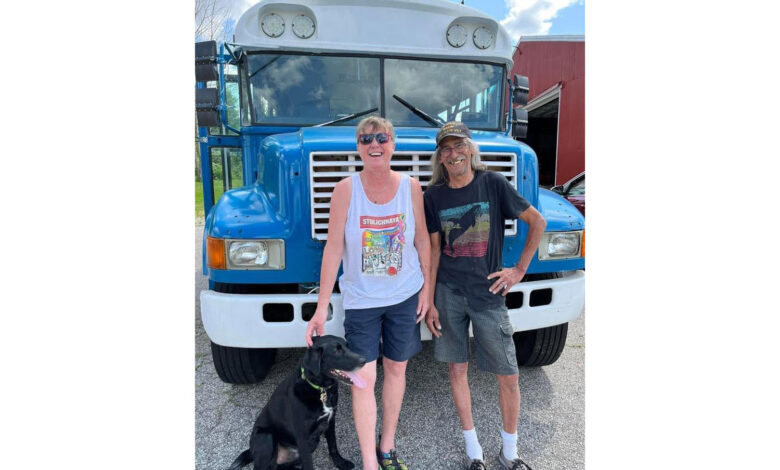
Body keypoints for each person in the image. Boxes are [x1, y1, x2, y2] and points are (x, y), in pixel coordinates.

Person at [305, 116, 430, 470]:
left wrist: (428, 291)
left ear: (393, 144)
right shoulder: (345, 190)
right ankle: (368, 463)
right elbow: (333, 248)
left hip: (405, 295)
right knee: (363, 378)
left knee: (396, 367)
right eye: (366, 139)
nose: (374, 145)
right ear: (358, 147)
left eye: (381, 138)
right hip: (362, 301)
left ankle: (386, 446)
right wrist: (321, 307)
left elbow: (422, 239)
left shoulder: (411, 187)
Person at [423, 122, 546, 470]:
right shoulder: (433, 196)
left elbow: (537, 222)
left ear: (470, 148)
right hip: (448, 293)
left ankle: (510, 454)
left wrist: (519, 270)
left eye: (458, 146)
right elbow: (434, 250)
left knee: (508, 374)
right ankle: (473, 451)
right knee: (456, 369)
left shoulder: (492, 184)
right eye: (445, 149)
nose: (453, 154)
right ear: (440, 156)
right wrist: (430, 299)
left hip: (488, 295)